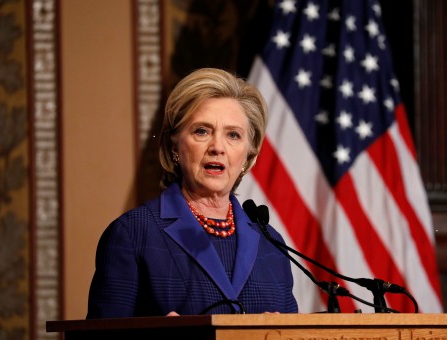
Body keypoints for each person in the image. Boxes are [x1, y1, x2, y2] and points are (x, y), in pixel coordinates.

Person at [86, 68, 298, 317]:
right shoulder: (133, 234)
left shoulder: (271, 245)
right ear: (175, 145)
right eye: (202, 131)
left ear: (248, 156)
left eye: (233, 135)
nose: (217, 147)